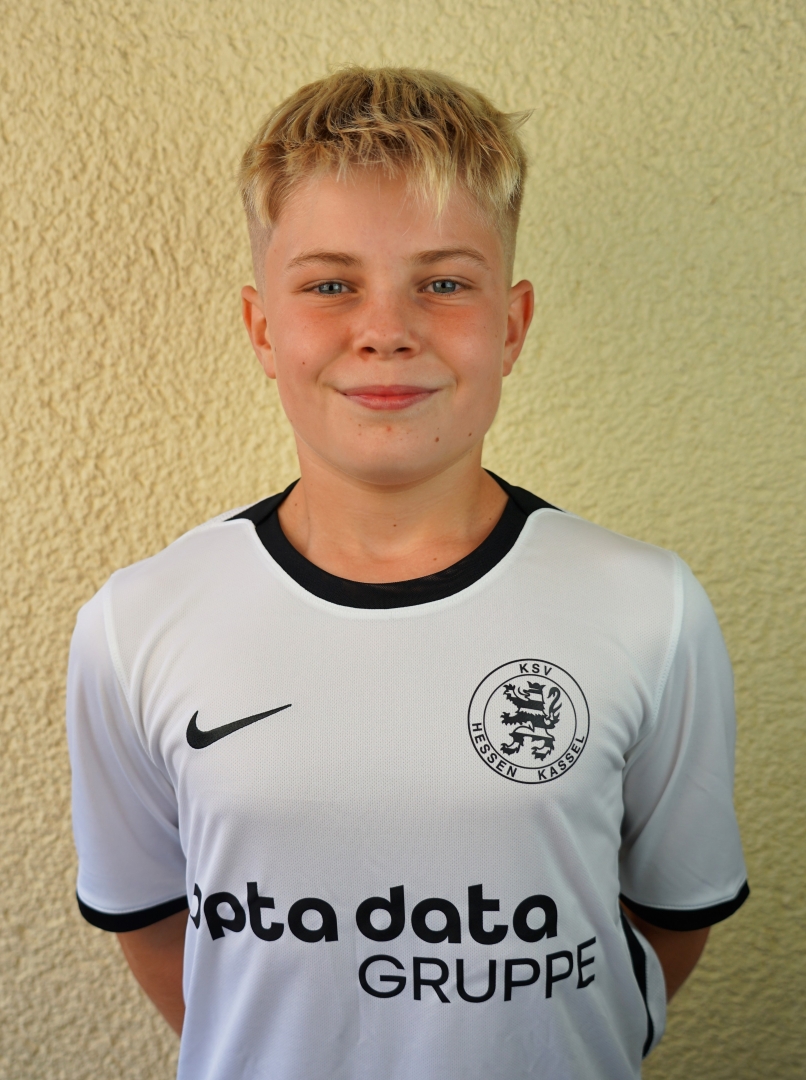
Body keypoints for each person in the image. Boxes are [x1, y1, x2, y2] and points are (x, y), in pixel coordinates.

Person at [67, 67, 748, 1080]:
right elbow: (157, 926)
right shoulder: (139, 623)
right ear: (263, 329)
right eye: (329, 284)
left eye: (443, 282)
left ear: (510, 325)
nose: (385, 328)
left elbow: (668, 919)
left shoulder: (647, 607)